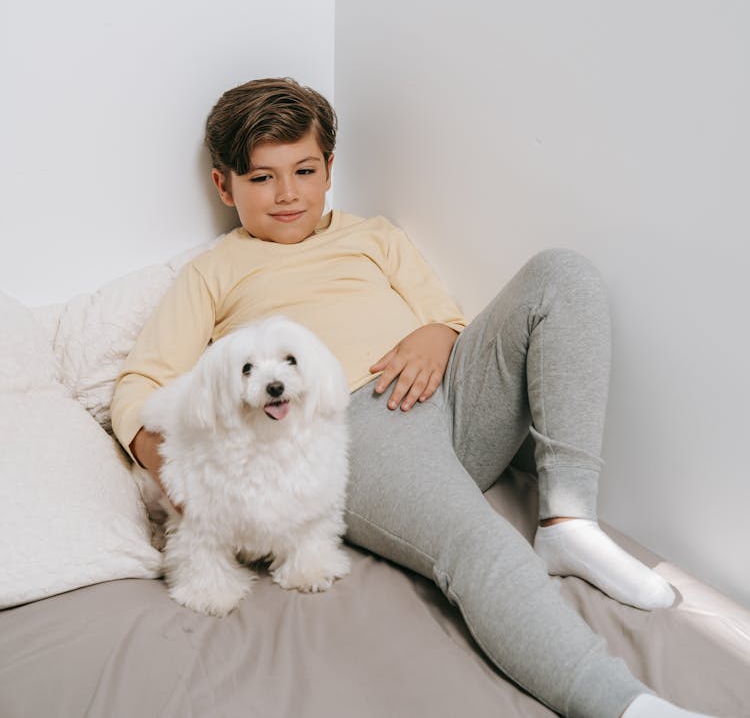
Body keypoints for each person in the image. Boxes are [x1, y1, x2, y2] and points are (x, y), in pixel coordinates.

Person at [112, 77, 711, 718]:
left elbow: (443, 314)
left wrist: (437, 333)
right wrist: (170, 469)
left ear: (329, 169)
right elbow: (138, 386)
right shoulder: (213, 272)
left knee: (563, 275)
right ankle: (624, 704)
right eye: (261, 179)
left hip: (449, 390)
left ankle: (567, 517)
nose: (287, 194)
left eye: (304, 171)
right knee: (478, 541)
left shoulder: (374, 236)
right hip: (360, 425)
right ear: (225, 186)